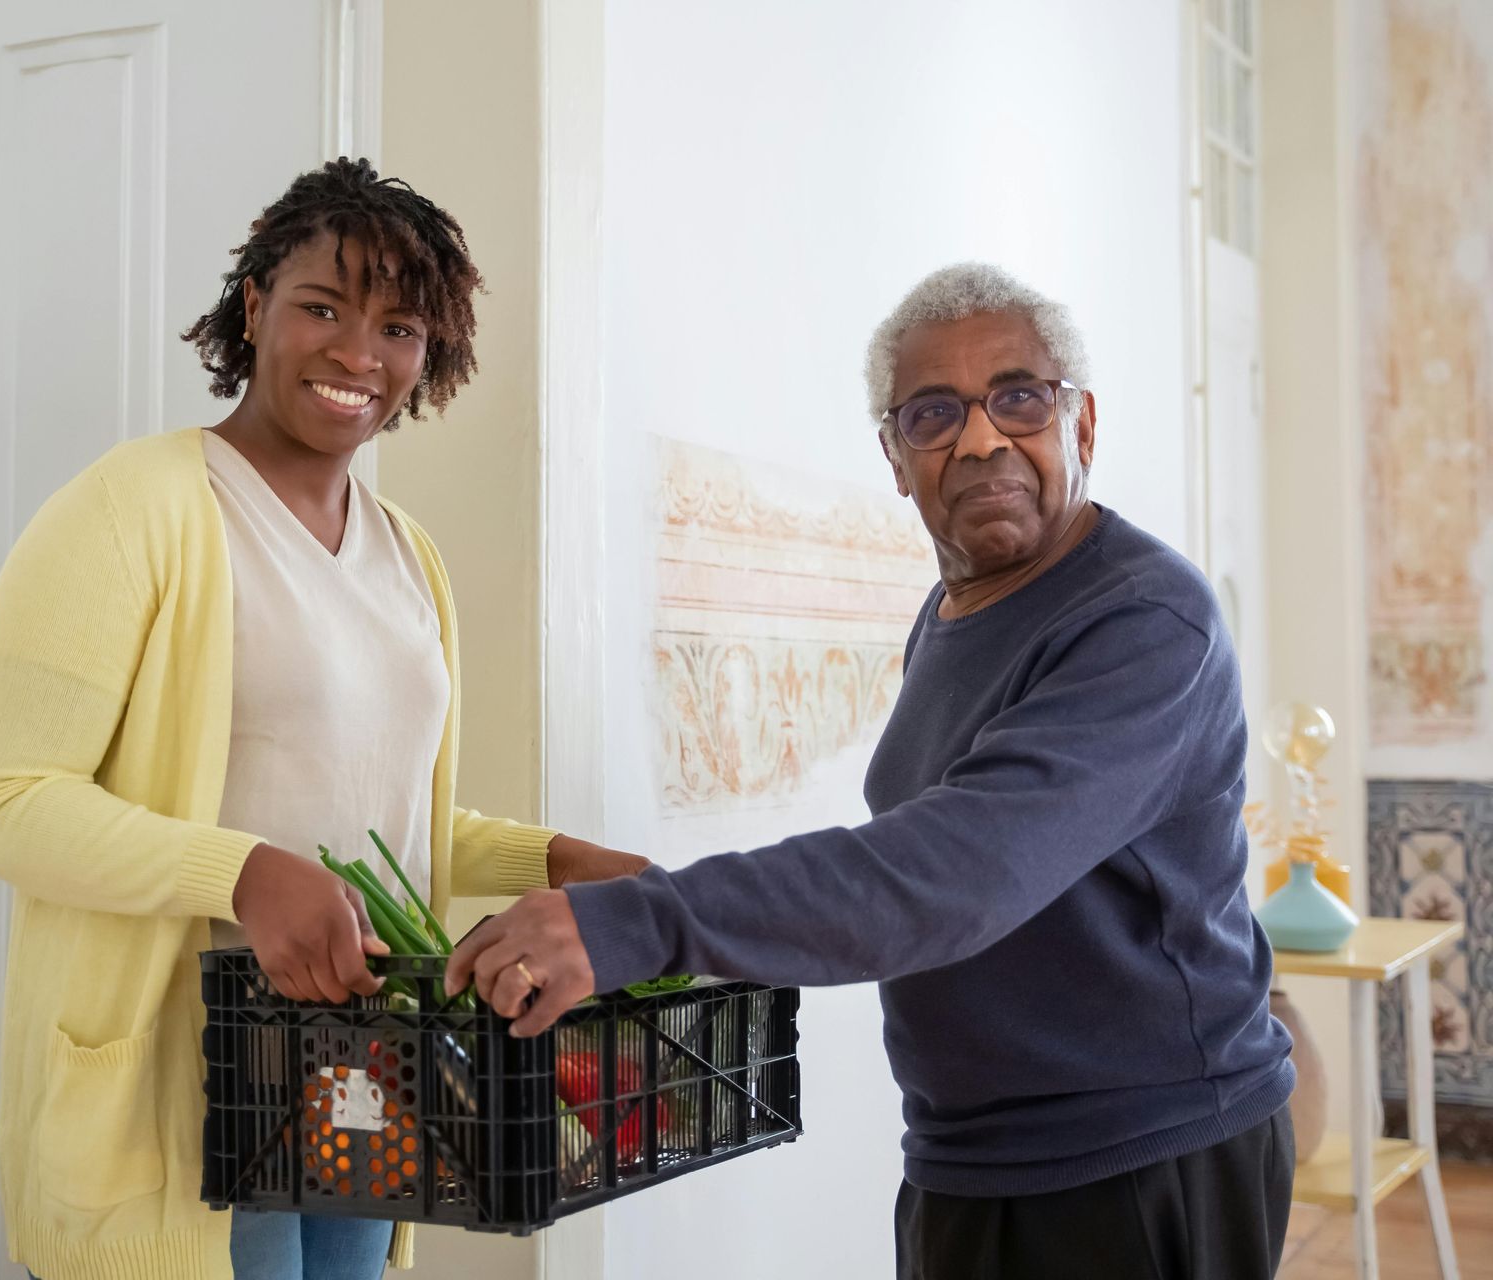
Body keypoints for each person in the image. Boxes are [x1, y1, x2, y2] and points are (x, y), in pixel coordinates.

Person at [448, 263, 1297, 1278]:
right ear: (897, 458)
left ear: (1084, 423)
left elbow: (956, 868)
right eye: (934, 414)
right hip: (969, 1157)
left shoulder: (1145, 621)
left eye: (1019, 396)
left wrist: (645, 918)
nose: (981, 438)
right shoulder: (948, 618)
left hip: (1143, 1155)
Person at [0, 157, 645, 1280]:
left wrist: (552, 856)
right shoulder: (135, 510)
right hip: (175, 1091)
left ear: (433, 355)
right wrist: (244, 875)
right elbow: (0, 801)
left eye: (400, 327)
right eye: (323, 306)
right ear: (256, 304)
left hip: (358, 1069)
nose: (358, 355)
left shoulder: (405, 550)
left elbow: (367, 802)